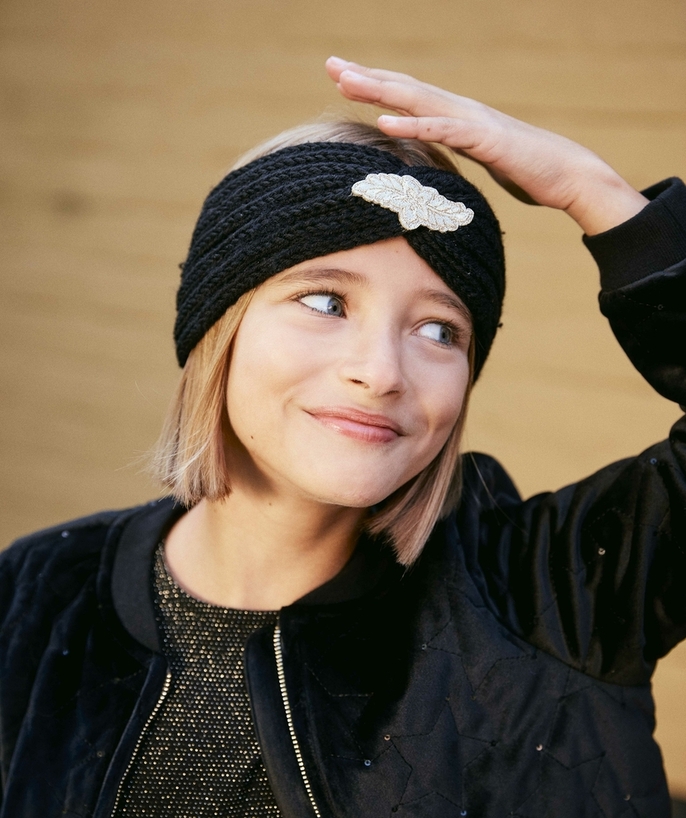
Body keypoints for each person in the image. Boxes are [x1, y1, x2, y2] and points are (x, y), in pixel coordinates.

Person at [1, 57, 684, 818]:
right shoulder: (36, 593)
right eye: (325, 302)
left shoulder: (557, 598)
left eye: (438, 329)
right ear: (217, 327)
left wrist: (600, 196)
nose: (381, 372)